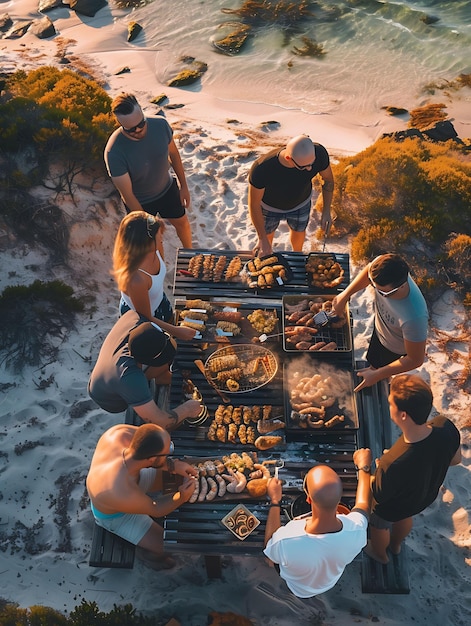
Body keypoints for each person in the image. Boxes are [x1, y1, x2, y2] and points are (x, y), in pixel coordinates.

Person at [367, 374, 461, 564]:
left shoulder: (392, 463)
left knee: (379, 526)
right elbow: (456, 459)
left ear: (403, 415)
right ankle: (395, 546)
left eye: (391, 403)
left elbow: (379, 494)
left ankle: (380, 554)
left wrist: (373, 470)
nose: (389, 407)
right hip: (422, 497)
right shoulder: (445, 426)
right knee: (405, 516)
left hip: (390, 507)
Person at [263, 448, 372, 598]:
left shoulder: (287, 538)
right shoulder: (356, 531)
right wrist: (364, 468)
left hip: (296, 586)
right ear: (339, 500)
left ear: (308, 499)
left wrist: (275, 501)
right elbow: (363, 504)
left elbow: (270, 557)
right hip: (328, 582)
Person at [86, 423, 198, 568]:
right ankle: (149, 557)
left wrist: (172, 465)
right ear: (151, 459)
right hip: (117, 514)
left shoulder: (119, 433)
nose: (170, 453)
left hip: (135, 476)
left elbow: (149, 444)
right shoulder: (119, 490)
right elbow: (156, 508)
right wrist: (182, 496)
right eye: (167, 453)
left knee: (176, 477)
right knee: (167, 546)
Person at [104, 92, 192, 248]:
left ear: (143, 114)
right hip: (140, 202)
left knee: (183, 223)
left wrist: (183, 186)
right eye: (131, 129)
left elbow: (174, 154)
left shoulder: (160, 125)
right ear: (120, 124)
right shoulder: (114, 152)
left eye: (141, 124)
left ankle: (190, 252)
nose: (138, 130)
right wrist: (148, 221)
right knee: (152, 242)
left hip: (167, 188)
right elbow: (128, 196)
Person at [88, 310, 201, 428]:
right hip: (108, 397)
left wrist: (175, 330)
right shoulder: (129, 377)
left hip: (111, 364)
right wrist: (187, 409)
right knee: (143, 408)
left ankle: (161, 377)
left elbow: (151, 322)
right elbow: (161, 422)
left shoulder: (137, 318)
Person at [333, 253, 428, 391]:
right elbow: (368, 271)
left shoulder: (414, 317)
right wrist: (345, 295)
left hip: (393, 347)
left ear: (401, 286)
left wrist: (378, 374)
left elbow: (415, 359)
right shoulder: (385, 266)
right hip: (379, 329)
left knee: (381, 372)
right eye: (374, 286)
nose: (377, 292)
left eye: (383, 292)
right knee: (373, 361)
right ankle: (373, 370)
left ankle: (380, 380)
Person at [248, 134, 334, 257]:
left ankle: (297, 255)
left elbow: (328, 181)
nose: (310, 169)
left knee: (299, 231)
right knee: (267, 238)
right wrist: (262, 238)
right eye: (303, 166)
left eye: (312, 163)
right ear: (288, 158)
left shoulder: (319, 153)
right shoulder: (262, 168)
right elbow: (254, 204)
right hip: (269, 207)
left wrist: (326, 211)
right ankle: (267, 254)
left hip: (301, 203)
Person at [113, 211, 174, 324]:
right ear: (145, 242)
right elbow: (146, 319)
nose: (162, 237)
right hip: (141, 318)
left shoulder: (156, 249)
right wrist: (177, 331)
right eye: (158, 234)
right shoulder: (135, 279)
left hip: (160, 301)